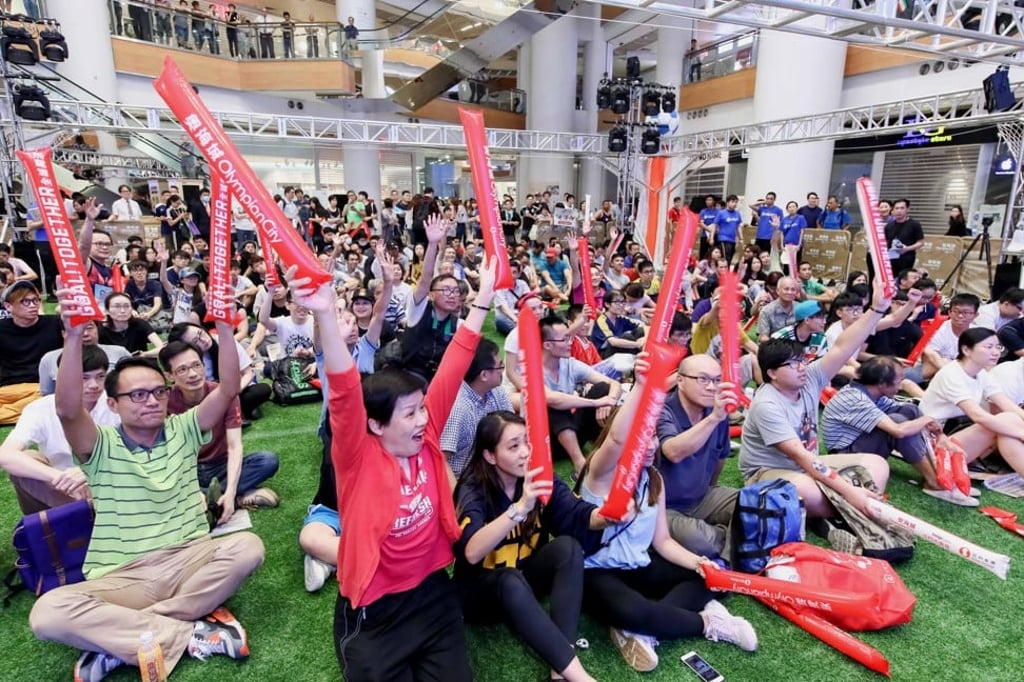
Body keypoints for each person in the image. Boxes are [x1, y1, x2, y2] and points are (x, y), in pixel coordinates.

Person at [31, 294, 263, 681]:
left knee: (248, 547)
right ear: (113, 402)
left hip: (190, 557)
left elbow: (226, 391)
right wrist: (73, 338)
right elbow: (69, 410)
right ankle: (186, 631)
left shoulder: (185, 427)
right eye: (137, 395)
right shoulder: (99, 443)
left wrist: (223, 325)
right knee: (46, 614)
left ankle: (124, 639)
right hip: (123, 574)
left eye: (157, 392)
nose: (151, 401)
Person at [309, 253, 497, 681]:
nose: (423, 419)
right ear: (375, 424)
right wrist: (323, 316)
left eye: (421, 410)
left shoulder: (426, 437)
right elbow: (342, 394)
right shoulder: (357, 458)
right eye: (409, 414)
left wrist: (484, 294)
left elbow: (455, 361)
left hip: (432, 592)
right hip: (375, 608)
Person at [579, 355, 757, 673]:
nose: (650, 445)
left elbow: (662, 542)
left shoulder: (654, 478)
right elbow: (620, 436)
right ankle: (707, 623)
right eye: (641, 438)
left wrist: (698, 564)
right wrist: (643, 386)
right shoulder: (603, 472)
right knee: (632, 610)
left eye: (653, 436)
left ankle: (646, 630)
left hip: (640, 564)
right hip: (598, 572)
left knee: (710, 576)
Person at [453, 412, 602, 682]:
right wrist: (519, 508)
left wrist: (603, 517)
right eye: (513, 446)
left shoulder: (536, 477)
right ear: (490, 456)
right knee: (509, 579)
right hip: (481, 594)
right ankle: (580, 677)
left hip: (525, 580)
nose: (525, 453)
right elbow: (471, 552)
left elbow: (573, 511)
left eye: (526, 442)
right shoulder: (472, 488)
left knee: (567, 547)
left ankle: (561, 665)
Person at [739, 281, 897, 518]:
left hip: (809, 464)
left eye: (803, 360)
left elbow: (843, 346)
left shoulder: (810, 377)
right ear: (772, 373)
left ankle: (837, 510)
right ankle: (850, 509)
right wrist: (848, 491)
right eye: (793, 364)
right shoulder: (767, 404)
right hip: (767, 472)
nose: (802, 367)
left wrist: (876, 309)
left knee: (877, 465)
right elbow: (799, 455)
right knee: (805, 490)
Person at [823, 356, 976, 506]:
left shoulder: (871, 391)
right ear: (882, 384)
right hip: (844, 454)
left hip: (858, 442)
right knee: (899, 423)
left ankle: (941, 474)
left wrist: (939, 435)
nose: (901, 385)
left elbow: (906, 411)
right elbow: (898, 431)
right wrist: (926, 420)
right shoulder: (856, 398)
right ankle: (934, 482)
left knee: (910, 410)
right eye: (898, 381)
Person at [162, 340, 280, 517]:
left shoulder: (224, 394)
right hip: (187, 467)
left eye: (196, 365)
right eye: (182, 369)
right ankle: (234, 497)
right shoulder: (164, 401)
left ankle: (215, 498)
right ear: (170, 376)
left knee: (267, 460)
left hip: (220, 464)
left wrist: (230, 490)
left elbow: (235, 446)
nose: (193, 374)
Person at [0, 346, 119, 514]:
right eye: (83, 378)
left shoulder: (117, 402)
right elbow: (5, 454)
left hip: (111, 480)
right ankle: (59, 523)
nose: (94, 385)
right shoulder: (41, 408)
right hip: (61, 488)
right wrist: (57, 477)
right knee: (27, 459)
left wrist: (88, 471)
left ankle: (84, 517)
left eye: (100, 377)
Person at [657, 354, 739, 560]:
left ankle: (729, 536)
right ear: (680, 380)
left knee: (758, 504)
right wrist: (714, 418)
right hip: (664, 507)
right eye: (703, 379)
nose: (712, 387)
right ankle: (733, 538)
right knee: (701, 542)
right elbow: (673, 451)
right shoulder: (661, 410)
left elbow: (720, 458)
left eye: (717, 380)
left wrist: (710, 490)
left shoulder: (716, 412)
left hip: (702, 497)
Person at [919, 327, 1024, 476]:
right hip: (934, 441)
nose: (996, 352)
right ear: (966, 350)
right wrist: (1020, 432)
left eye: (998, 347)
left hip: (958, 432)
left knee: (1010, 418)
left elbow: (1006, 404)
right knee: (1001, 423)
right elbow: (978, 416)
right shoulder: (952, 374)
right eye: (989, 347)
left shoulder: (981, 373)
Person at [541, 315, 622, 473]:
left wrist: (609, 400)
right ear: (548, 345)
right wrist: (596, 403)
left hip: (570, 434)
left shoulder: (570, 364)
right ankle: (580, 464)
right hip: (544, 443)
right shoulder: (532, 370)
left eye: (569, 337)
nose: (570, 343)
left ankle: (608, 450)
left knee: (602, 388)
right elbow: (551, 399)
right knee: (556, 404)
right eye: (564, 339)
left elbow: (614, 384)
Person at [440, 339, 513, 477]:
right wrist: (461, 497)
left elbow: (512, 428)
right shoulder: (458, 409)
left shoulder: (497, 390)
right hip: (466, 478)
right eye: (500, 366)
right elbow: (441, 460)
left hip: (492, 467)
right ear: (484, 375)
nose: (502, 371)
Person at [0, 281, 63, 424]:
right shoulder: (2, 329)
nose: (33, 305)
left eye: (35, 300)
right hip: (9, 387)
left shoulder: (55, 323)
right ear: (8, 306)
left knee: (49, 398)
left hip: (41, 387)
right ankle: (28, 412)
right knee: (41, 405)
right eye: (25, 301)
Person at [38, 320, 130, 396]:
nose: (85, 333)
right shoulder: (49, 359)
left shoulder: (119, 353)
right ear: (63, 334)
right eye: (76, 329)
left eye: (90, 327)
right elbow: (48, 395)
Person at [922, 293, 980, 380]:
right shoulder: (938, 330)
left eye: (966, 313)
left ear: (975, 315)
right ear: (949, 312)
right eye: (956, 311)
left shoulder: (979, 333)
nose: (960, 316)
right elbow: (931, 357)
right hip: (939, 366)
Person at [98, 292, 165, 357]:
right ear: (107, 311)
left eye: (127, 306)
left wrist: (145, 354)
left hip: (139, 363)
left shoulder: (140, 324)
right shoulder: (100, 329)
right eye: (117, 306)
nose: (122, 311)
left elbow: (162, 347)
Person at [885, 198, 925, 276]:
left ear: (907, 209)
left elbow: (921, 242)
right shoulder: (888, 226)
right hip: (890, 258)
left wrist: (906, 249)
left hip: (906, 258)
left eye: (902, 208)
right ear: (892, 210)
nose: (899, 211)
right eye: (896, 208)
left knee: (903, 279)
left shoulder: (914, 224)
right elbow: (886, 241)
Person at [756, 276, 800, 342]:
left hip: (796, 346)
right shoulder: (766, 311)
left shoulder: (800, 308)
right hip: (773, 346)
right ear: (778, 291)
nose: (790, 292)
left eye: (793, 289)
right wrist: (779, 346)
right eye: (786, 289)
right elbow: (763, 337)